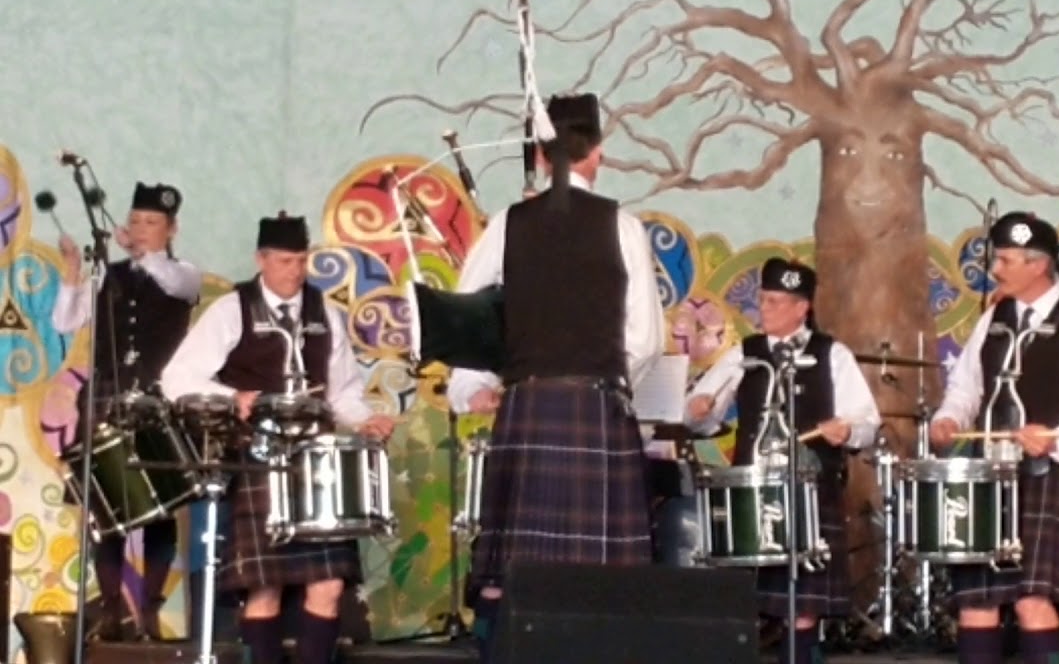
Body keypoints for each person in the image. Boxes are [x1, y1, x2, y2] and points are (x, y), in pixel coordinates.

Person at [442, 92, 664, 663]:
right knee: (601, 577)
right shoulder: (624, 226)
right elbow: (644, 340)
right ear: (597, 155)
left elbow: (463, 315)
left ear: (541, 159)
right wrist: (610, 384)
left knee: (512, 572)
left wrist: (476, 386)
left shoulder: (507, 225)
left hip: (527, 407)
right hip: (595, 410)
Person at [160, 213, 396, 664]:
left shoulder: (324, 312)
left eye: (302, 260)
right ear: (261, 260)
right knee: (263, 588)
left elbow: (342, 391)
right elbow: (177, 378)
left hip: (315, 466)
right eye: (286, 261)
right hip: (259, 459)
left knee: (327, 585)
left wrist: (365, 421)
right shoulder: (232, 309)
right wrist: (231, 396)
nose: (296, 270)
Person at [928, 212, 1059, 664]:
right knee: (977, 600)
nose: (997, 269)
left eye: (1008, 260)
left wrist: (1057, 438)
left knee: (1033, 599)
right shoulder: (994, 317)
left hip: (1045, 472)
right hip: (987, 475)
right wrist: (949, 417)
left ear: (1039, 265)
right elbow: (966, 386)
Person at [685, 257, 881, 664]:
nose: (766, 309)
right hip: (752, 492)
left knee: (802, 607)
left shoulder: (832, 354)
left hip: (810, 492)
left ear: (801, 307)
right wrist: (699, 409)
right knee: (745, 599)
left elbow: (866, 421)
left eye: (776, 301)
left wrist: (846, 430)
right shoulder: (746, 353)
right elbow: (701, 416)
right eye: (763, 300)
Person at [53, 182, 201, 641]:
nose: (140, 229)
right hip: (105, 397)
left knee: (160, 511)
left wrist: (142, 253)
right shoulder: (108, 273)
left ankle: (149, 613)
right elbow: (66, 321)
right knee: (106, 509)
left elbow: (171, 282)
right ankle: (112, 612)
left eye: (151, 223)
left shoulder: (185, 274)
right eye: (135, 221)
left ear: (171, 229)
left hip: (155, 402)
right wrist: (74, 272)